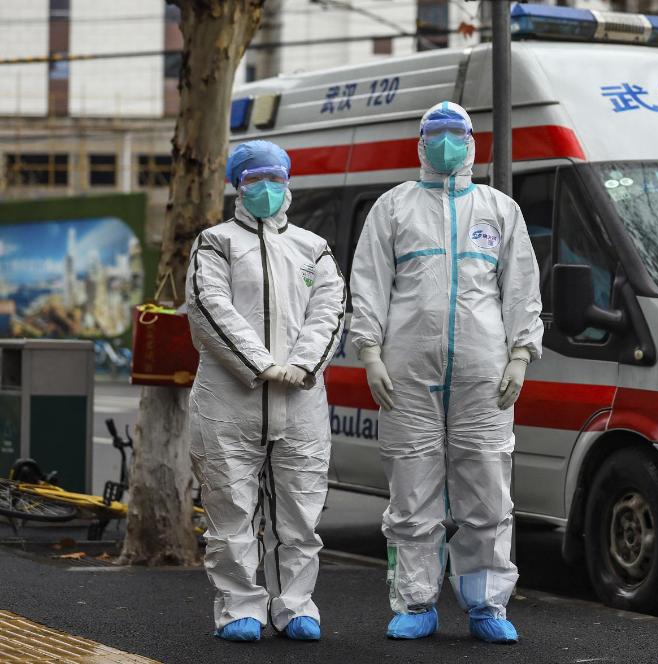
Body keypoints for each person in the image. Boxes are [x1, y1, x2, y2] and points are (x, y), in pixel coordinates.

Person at [349, 101, 543, 644]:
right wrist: (369, 351)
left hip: (484, 368)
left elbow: (522, 288)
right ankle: (415, 602)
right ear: (419, 142)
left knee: (486, 487)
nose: (445, 142)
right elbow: (368, 283)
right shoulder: (393, 208)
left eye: (455, 133)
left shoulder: (499, 210)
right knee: (412, 490)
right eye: (435, 133)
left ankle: (487, 605)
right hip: (408, 369)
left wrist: (521, 354)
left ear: (472, 141)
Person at [186, 140, 346, 643]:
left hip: (300, 400)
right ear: (239, 184)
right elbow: (209, 307)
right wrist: (261, 365)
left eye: (277, 178)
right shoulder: (215, 243)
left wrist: (300, 366)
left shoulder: (312, 247)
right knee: (230, 509)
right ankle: (239, 607)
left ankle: (296, 605)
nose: (268, 188)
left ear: (289, 183)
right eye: (256, 179)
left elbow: (331, 309)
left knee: (300, 510)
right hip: (229, 399)